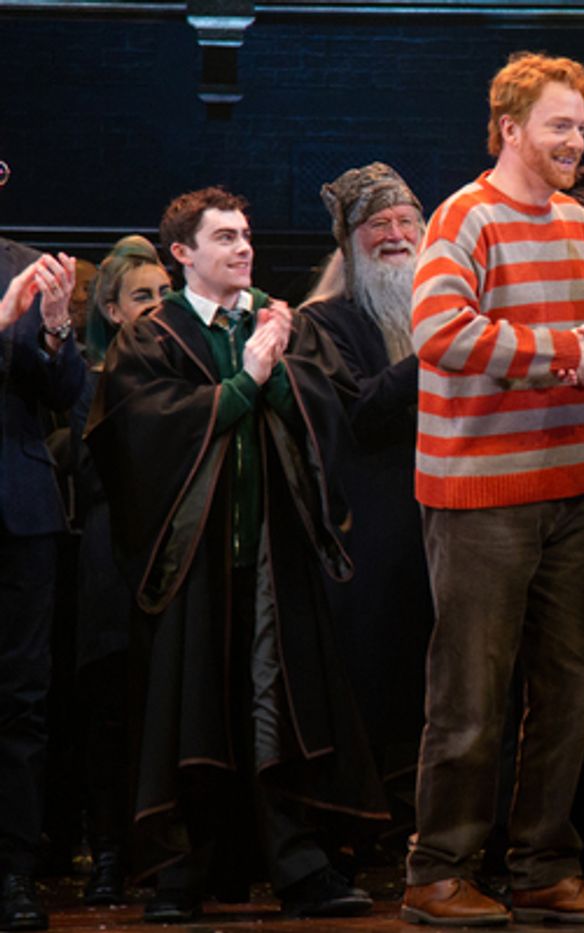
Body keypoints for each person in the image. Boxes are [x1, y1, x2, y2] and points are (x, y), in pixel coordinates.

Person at [84, 187, 387, 922]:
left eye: (246, 235)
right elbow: (139, 435)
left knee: (271, 709)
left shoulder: (277, 324)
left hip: (272, 562)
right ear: (182, 253)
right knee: (193, 710)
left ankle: (297, 863)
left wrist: (278, 372)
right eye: (224, 237)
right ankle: (183, 871)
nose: (243, 247)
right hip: (192, 559)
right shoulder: (154, 336)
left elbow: (328, 413)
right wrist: (245, 382)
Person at [401, 52, 584, 926]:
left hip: (570, 488)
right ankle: (437, 871)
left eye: (580, 125)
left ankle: (543, 863)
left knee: (569, 686)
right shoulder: (465, 216)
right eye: (559, 125)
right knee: (471, 691)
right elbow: (438, 329)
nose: (576, 140)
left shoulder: (579, 224)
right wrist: (561, 352)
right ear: (510, 129)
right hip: (479, 494)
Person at [301, 163, 433, 845]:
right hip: (370, 535)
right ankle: (363, 827)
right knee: (371, 676)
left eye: (406, 221)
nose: (394, 234)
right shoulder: (322, 322)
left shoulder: (441, 312)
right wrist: (432, 352)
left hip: (446, 526)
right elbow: (358, 414)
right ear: (349, 242)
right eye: (377, 224)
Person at [68, 235, 173, 907]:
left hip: (169, 556)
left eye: (166, 294)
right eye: (143, 295)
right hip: (110, 560)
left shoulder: (184, 367)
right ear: (109, 306)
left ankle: (161, 849)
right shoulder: (85, 376)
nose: (159, 306)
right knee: (107, 712)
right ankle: (107, 850)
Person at [1, 241, 83, 933]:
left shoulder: (28, 266)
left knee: (22, 699)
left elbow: (62, 393)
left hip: (19, 509)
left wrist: (55, 327)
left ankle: (13, 869)